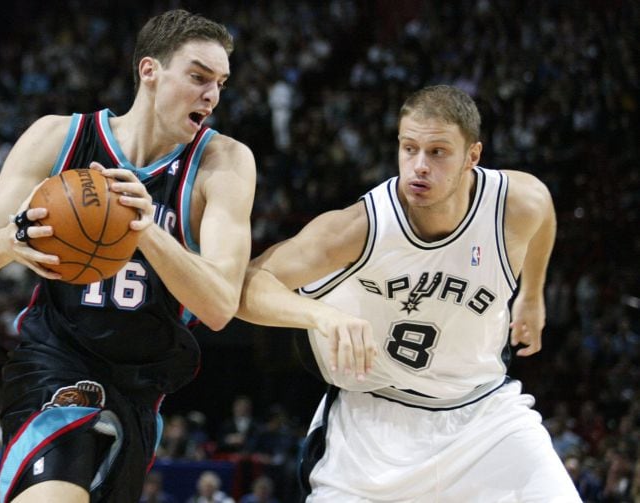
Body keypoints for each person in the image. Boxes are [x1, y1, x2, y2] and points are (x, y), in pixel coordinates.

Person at [0, 9, 255, 503]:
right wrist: (7, 241)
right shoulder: (58, 137)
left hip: (141, 383)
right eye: (198, 77)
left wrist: (146, 228)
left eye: (220, 83)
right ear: (150, 71)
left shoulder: (224, 163)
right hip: (54, 360)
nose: (211, 95)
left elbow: (219, 307)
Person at [237, 85, 581, 501]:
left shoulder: (515, 202)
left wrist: (532, 294)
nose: (419, 166)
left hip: (486, 420)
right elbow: (246, 286)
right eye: (409, 148)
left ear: (473, 156)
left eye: (437, 152)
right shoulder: (360, 227)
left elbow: (542, 214)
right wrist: (321, 316)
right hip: (373, 428)